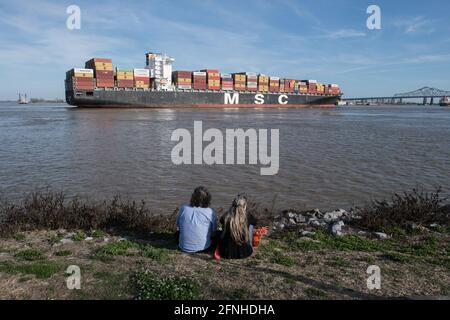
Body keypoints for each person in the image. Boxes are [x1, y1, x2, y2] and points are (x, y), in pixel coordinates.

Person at [176, 186, 217, 253]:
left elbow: (178, 225)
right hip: (203, 248)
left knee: (177, 234)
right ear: (208, 199)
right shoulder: (210, 212)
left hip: (183, 247)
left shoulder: (184, 208)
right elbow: (213, 232)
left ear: (192, 197)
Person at [218, 194, 257, 259]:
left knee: (225, 226)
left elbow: (221, 221)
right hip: (245, 252)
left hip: (226, 252)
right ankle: (249, 243)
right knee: (251, 226)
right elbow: (255, 222)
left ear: (232, 205)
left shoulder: (226, 216)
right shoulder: (248, 216)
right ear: (244, 206)